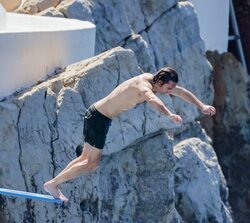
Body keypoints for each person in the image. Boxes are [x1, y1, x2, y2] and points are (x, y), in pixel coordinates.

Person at [44, 67, 216, 202]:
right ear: (160, 81)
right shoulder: (144, 87)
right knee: (92, 162)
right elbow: (153, 100)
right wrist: (169, 114)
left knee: (84, 159)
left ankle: (53, 183)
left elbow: (182, 92)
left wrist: (201, 106)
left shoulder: (153, 79)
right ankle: (53, 184)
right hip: (98, 119)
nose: (169, 91)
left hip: (97, 115)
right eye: (168, 88)